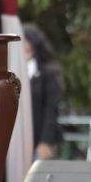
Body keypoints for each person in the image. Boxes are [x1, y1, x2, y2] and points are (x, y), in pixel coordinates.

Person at [21, 24, 64, 161]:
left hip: (41, 139)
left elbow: (51, 109)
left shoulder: (48, 72)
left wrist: (45, 141)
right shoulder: (14, 70)